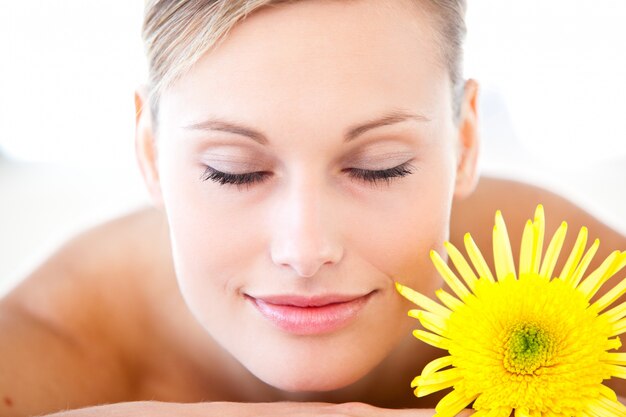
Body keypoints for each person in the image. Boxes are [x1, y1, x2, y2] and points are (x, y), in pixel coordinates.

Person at [1, 0, 625, 416]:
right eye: (234, 172)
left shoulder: (591, 298)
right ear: (149, 152)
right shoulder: (34, 361)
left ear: (464, 144)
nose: (304, 250)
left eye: (379, 166)